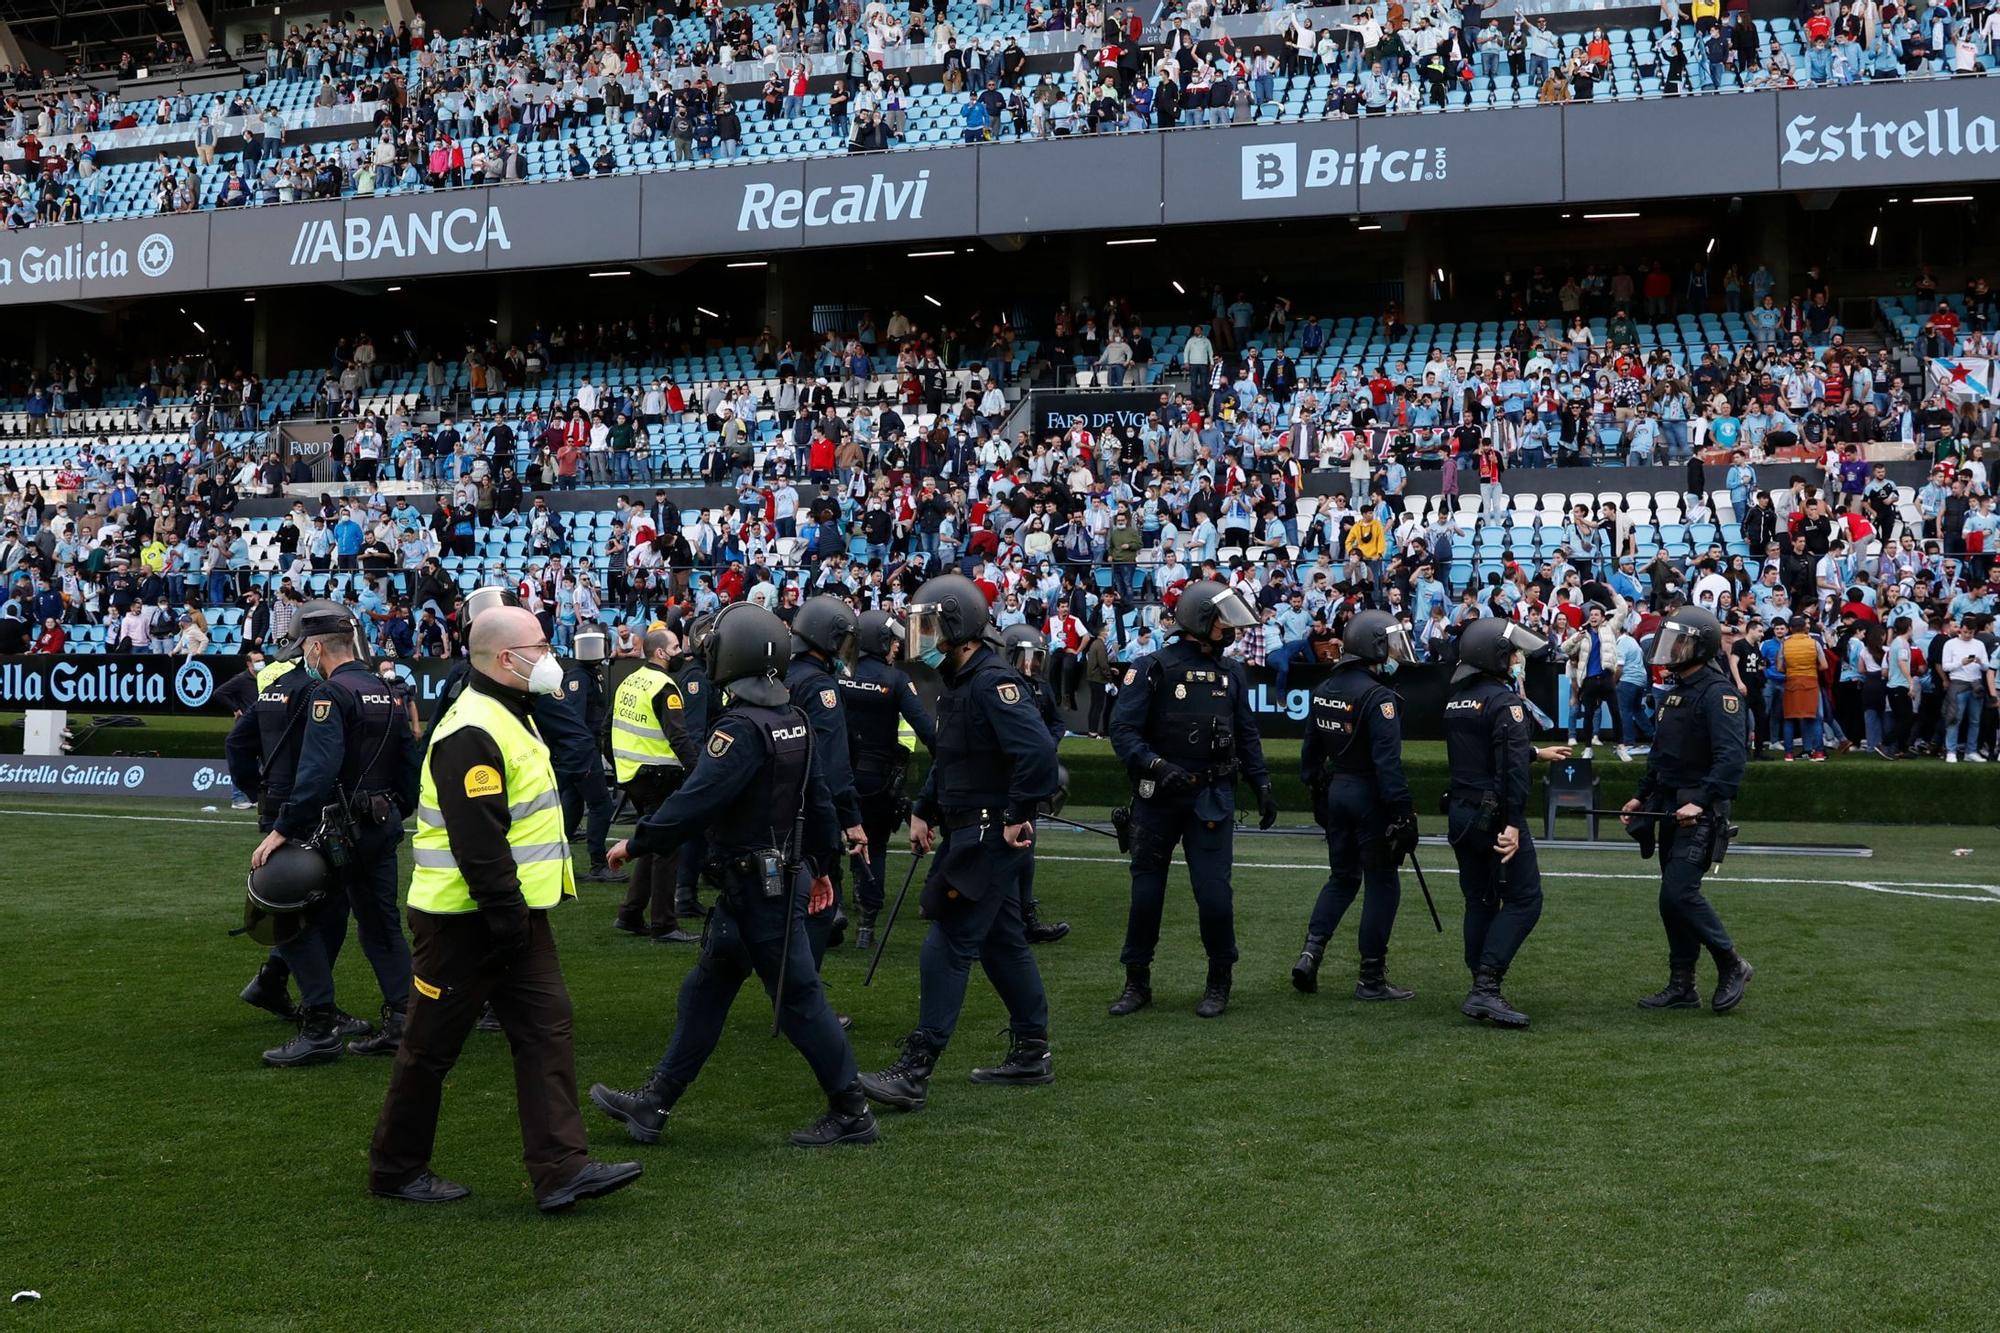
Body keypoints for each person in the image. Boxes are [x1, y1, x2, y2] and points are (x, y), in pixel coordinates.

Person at [367, 603, 642, 1210]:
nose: (551, 657)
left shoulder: (513, 713)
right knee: (428, 1048)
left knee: (547, 1030)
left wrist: (515, 917)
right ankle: (395, 1168)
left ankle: (562, 1170)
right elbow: (477, 838)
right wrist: (505, 913)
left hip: (511, 917)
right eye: (541, 646)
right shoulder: (473, 727)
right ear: (504, 659)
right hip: (463, 922)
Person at [588, 603, 878, 1149]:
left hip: (759, 890)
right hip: (766, 885)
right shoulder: (794, 718)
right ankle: (654, 1104)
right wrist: (819, 866)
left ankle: (852, 1111)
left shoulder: (740, 728)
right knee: (705, 991)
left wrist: (638, 841)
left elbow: (698, 799)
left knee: (799, 1003)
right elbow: (816, 801)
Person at [858, 575, 1062, 1112]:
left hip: (989, 835)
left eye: (928, 626)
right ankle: (1032, 1052)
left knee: (947, 943)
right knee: (1001, 943)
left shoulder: (993, 683)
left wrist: (1018, 815)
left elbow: (1038, 753)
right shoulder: (959, 684)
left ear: (958, 629)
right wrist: (926, 808)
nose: (918, 636)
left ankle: (916, 1070)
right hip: (970, 829)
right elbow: (954, 759)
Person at [250, 605, 420, 1061]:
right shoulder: (386, 690)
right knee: (381, 926)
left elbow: (318, 769)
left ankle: (319, 1027)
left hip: (336, 832)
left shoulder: (329, 694)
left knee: (297, 921)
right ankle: (404, 1022)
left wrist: (283, 828)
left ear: (317, 646)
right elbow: (410, 766)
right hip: (380, 827)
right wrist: (393, 811)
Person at [1107, 580, 1276, 1019]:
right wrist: (1158, 766)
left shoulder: (1232, 672)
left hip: (1211, 797)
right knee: (1146, 896)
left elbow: (1246, 734)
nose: (1232, 631)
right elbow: (1123, 732)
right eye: (1224, 623)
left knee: (1215, 896)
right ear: (1201, 622)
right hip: (1157, 798)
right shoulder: (1150, 667)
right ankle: (1136, 980)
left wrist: (1261, 784)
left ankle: (1220, 980)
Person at [1621, 606, 1755, 1014]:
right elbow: (1662, 756)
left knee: (1679, 891)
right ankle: (1683, 985)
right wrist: (1641, 796)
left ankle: (1732, 963)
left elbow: (1732, 759)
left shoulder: (1720, 694)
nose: (1672, 648)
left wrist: (1702, 800)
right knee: (1670, 898)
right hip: (1670, 808)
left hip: (1700, 812)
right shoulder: (1675, 692)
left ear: (1700, 647)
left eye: (1681, 641)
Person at [224, 609, 336, 1059]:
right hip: (302, 808)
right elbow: (321, 759)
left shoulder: (272, 689)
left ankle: (273, 983)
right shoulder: (316, 690)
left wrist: (255, 790)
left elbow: (237, 742)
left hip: (274, 801)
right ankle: (318, 1012)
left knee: (303, 902)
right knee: (302, 905)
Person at [1291, 609, 1419, 1002]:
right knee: (1382, 884)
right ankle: (1371, 979)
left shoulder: (1325, 688)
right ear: (1374, 647)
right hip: (1368, 798)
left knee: (1342, 878)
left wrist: (1317, 793)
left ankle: (1310, 953)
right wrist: (1404, 814)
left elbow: (1310, 754)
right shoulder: (1379, 697)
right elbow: (1387, 765)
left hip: (1337, 794)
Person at [1443, 618, 1554, 1028]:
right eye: (1511, 653)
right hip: (1495, 816)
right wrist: (1512, 823)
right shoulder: (1506, 703)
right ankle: (1486, 988)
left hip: (1462, 812)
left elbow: (1484, 753)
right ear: (1494, 657)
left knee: (1479, 899)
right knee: (1525, 899)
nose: (1517, 660)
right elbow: (1508, 768)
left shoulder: (1457, 700)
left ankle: (1479, 982)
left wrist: (1536, 752)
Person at [838, 609, 937, 949]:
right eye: (893, 641)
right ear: (881, 642)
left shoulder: (836, 676)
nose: (897, 647)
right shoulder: (895, 680)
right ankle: (866, 924)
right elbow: (926, 729)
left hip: (837, 775)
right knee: (875, 845)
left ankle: (832, 913)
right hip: (877, 780)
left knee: (826, 844)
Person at [785, 595, 870, 956]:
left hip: (775, 807)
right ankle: (806, 1005)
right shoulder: (820, 687)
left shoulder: (781, 676)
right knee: (817, 909)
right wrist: (851, 819)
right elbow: (833, 763)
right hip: (810, 809)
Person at [609, 625, 699, 942]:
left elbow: (608, 728)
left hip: (632, 776)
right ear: (660, 653)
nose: (681, 652)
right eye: (676, 647)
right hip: (659, 776)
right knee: (666, 846)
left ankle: (630, 913)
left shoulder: (629, 680)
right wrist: (700, 771)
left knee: (648, 843)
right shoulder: (665, 686)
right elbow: (679, 737)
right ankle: (664, 924)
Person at [1000, 623, 1072, 944]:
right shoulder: (1001, 686)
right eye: (1027, 657)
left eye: (1036, 658)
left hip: (1030, 775)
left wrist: (1046, 744)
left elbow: (1057, 723)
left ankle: (1026, 915)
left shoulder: (1042, 688)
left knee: (1027, 850)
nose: (1032, 664)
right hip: (1006, 776)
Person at [561, 628, 618, 881]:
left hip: (582, 748)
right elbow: (574, 719)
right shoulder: (579, 678)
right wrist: (582, 754)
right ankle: (598, 862)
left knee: (573, 805)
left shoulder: (589, 674)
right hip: (582, 750)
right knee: (601, 804)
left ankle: (557, 863)